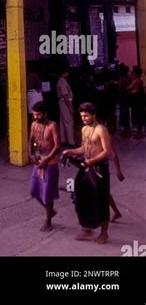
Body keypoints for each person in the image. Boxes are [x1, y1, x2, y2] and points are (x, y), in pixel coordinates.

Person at [62, 102, 112, 244]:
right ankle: (87, 229)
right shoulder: (84, 129)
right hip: (86, 167)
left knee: (101, 199)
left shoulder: (101, 130)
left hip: (99, 169)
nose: (84, 119)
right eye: (82, 116)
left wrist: (92, 161)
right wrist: (71, 151)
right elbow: (84, 148)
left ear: (94, 115)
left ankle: (104, 233)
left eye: (86, 116)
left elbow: (107, 151)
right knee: (81, 197)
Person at [28, 101, 61, 231]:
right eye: (34, 114)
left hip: (50, 163)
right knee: (33, 191)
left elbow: (57, 145)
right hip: (38, 162)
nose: (36, 117)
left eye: (39, 114)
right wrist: (31, 154)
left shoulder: (53, 125)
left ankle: (48, 221)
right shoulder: (34, 124)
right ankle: (51, 211)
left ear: (45, 114)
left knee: (47, 194)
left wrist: (46, 160)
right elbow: (31, 140)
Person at [56, 68, 75, 147]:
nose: (68, 74)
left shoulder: (60, 81)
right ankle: (71, 142)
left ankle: (63, 140)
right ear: (64, 73)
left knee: (63, 122)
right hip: (65, 102)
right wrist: (70, 107)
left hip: (62, 102)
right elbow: (65, 95)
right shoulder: (63, 82)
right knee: (68, 122)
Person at [127, 66, 144, 139]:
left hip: (135, 100)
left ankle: (139, 133)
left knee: (136, 116)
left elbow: (128, 88)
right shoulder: (140, 80)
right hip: (139, 100)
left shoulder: (135, 81)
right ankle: (140, 132)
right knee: (139, 116)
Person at [118, 64, 131, 137]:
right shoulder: (128, 77)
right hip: (126, 97)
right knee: (126, 114)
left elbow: (120, 89)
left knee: (124, 114)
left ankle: (126, 130)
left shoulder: (122, 79)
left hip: (123, 98)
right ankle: (127, 129)